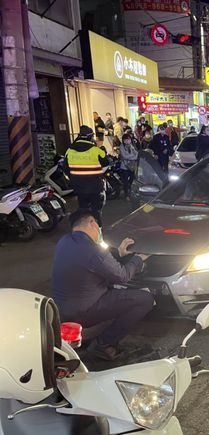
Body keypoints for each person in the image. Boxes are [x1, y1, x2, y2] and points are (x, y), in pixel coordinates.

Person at [51, 210, 153, 360]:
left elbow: (96, 265)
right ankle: (104, 344)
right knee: (145, 299)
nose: (99, 231)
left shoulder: (64, 242)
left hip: (60, 309)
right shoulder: (93, 250)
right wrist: (138, 259)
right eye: (98, 226)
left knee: (112, 289)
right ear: (93, 223)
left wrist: (118, 254)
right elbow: (122, 276)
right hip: (84, 311)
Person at [64, 125, 109, 226]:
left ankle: (84, 228)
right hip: (95, 186)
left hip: (78, 187)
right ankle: (97, 228)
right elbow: (106, 162)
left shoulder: (69, 151)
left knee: (83, 208)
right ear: (90, 137)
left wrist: (74, 178)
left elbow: (65, 168)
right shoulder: (95, 150)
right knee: (96, 210)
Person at [119, 133, 138, 199]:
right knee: (125, 182)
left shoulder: (132, 146)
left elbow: (137, 154)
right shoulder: (121, 146)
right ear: (123, 140)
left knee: (132, 180)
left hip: (132, 166)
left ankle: (129, 191)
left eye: (129, 139)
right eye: (125, 140)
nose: (127, 141)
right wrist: (133, 156)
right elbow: (124, 156)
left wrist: (132, 154)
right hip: (125, 167)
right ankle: (126, 195)